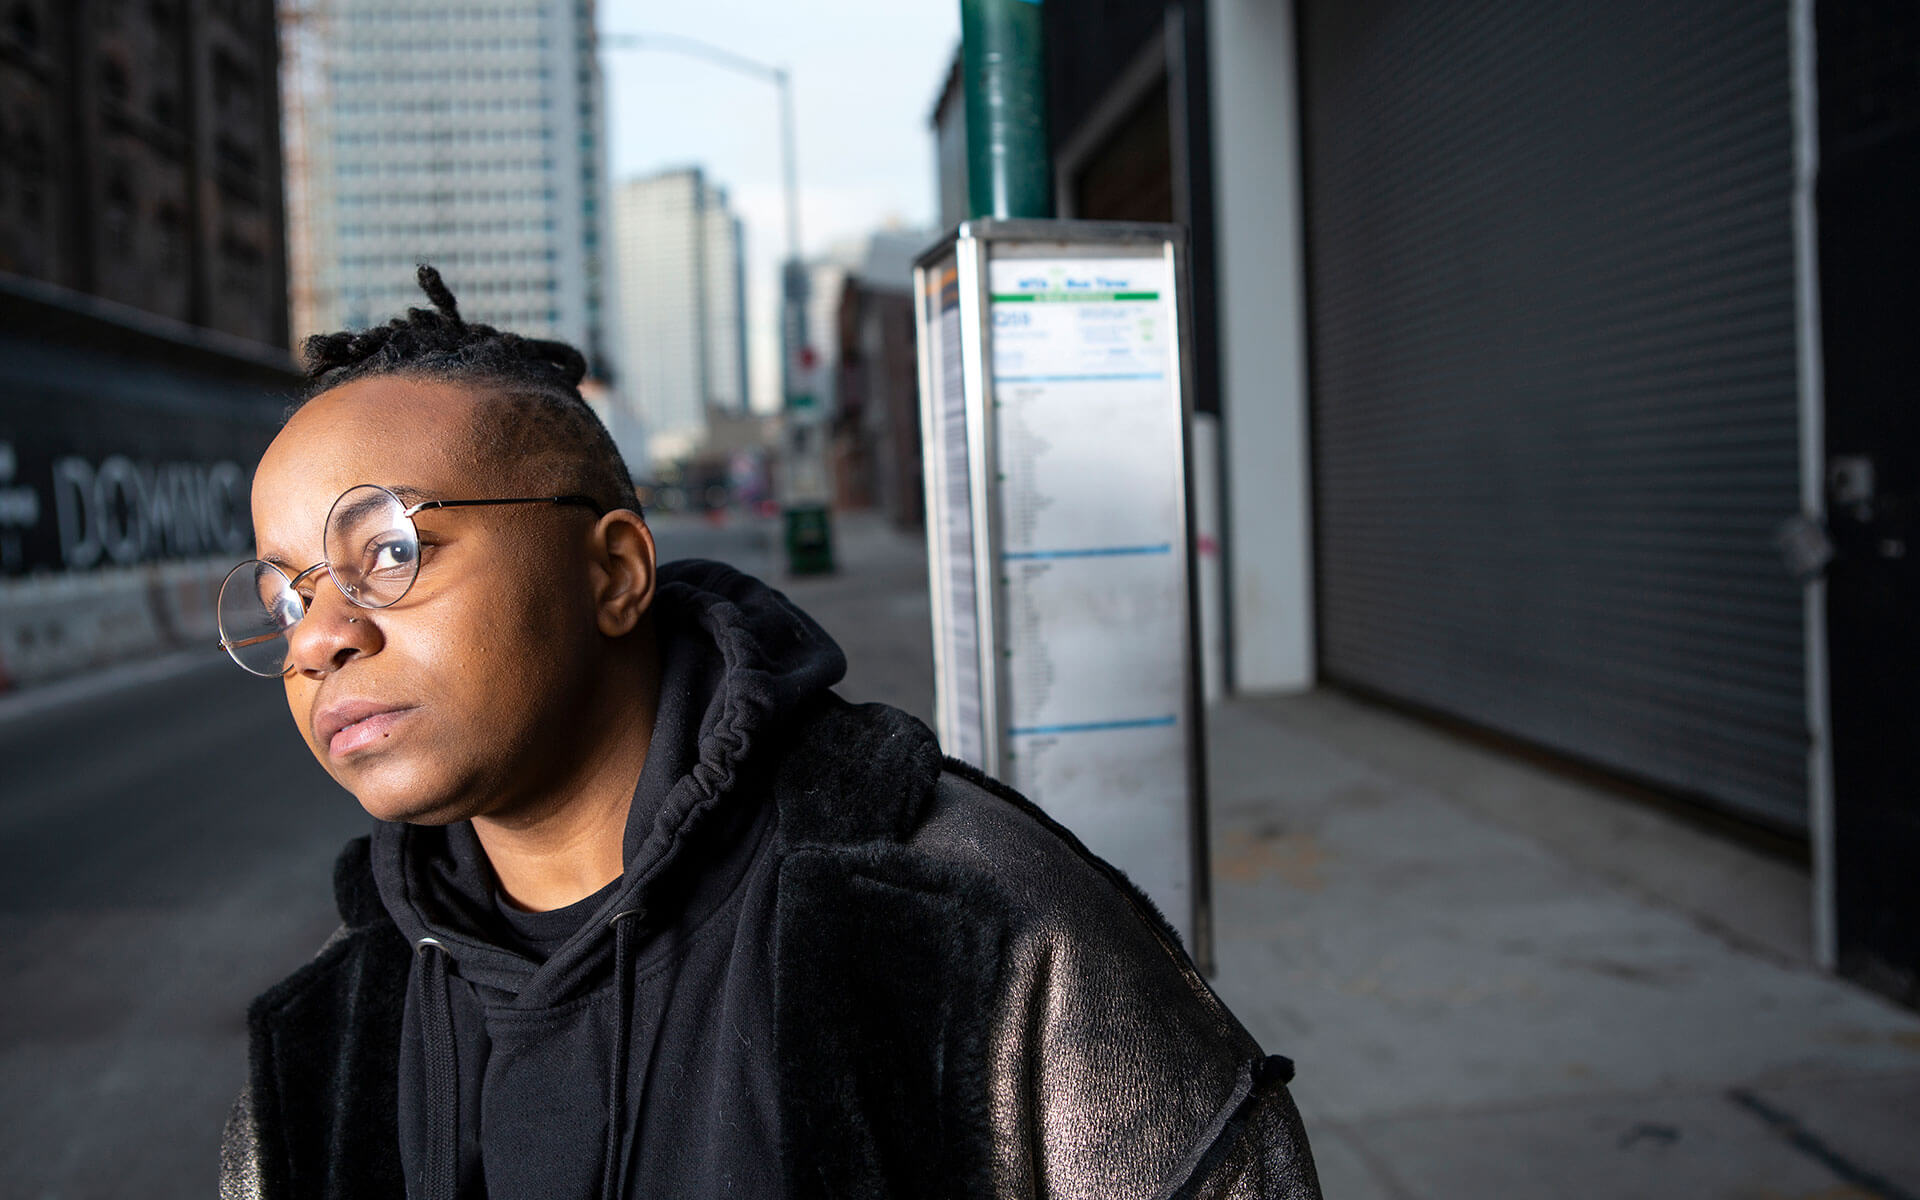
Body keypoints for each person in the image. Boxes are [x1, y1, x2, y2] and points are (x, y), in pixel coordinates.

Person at [217, 266, 1321, 1200]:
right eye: (284, 598)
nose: (318, 639)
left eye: (389, 553)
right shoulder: (331, 1028)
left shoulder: (968, 923)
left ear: (612, 571)